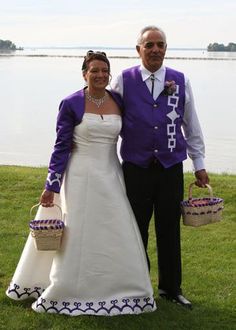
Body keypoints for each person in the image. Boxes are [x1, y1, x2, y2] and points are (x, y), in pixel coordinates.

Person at [6, 51, 156, 316]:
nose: (100, 75)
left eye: (104, 71)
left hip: (111, 174)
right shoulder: (71, 103)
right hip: (79, 176)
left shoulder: (117, 100)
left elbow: (133, 132)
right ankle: (68, 287)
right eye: (94, 71)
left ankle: (124, 287)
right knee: (78, 230)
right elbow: (61, 146)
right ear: (84, 73)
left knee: (116, 228)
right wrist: (51, 184)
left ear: (109, 74)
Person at [111, 26, 210, 309]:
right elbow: (110, 118)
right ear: (138, 49)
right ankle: (137, 286)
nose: (155, 49)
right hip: (136, 168)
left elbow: (191, 124)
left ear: (166, 49)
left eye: (160, 45)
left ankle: (170, 288)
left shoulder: (180, 80)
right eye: (149, 45)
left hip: (170, 168)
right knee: (136, 229)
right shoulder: (123, 80)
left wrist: (199, 163)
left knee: (169, 229)